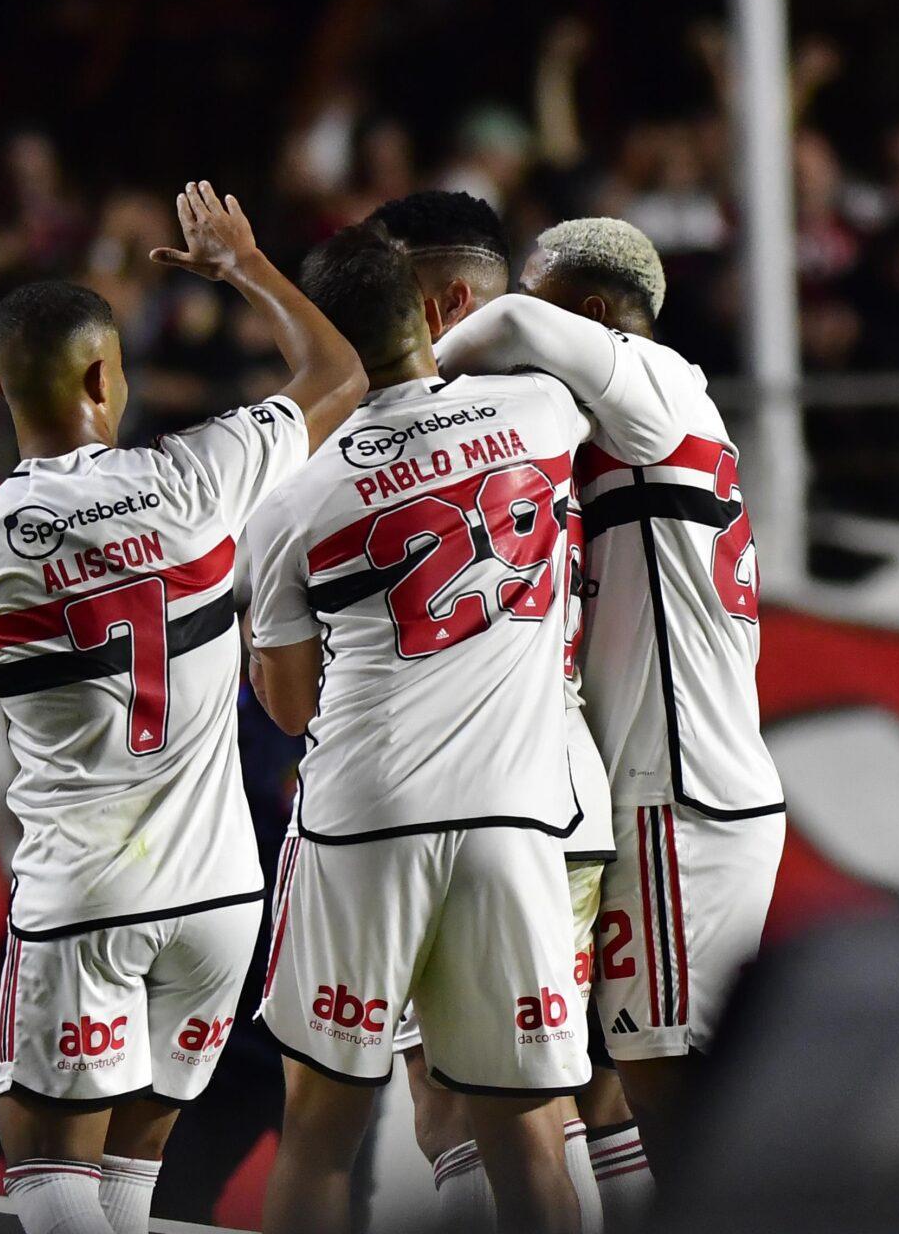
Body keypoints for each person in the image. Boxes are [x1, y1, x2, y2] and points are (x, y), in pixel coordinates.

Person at [0, 182, 364, 1234]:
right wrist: (245, 265)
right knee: (130, 1175)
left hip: (88, 897)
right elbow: (341, 374)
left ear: (1, 386)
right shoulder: (202, 474)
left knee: (45, 1160)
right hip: (221, 902)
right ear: (107, 374)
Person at [244, 220, 684, 1234]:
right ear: (432, 315)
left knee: (323, 1129)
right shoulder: (539, 411)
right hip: (521, 820)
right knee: (532, 1132)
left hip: (365, 820)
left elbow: (290, 704)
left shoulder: (290, 502)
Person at [434, 217, 786, 1187]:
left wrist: (403, 381)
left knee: (669, 1087)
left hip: (676, 795)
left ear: (594, 315)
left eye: (547, 292)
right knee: (602, 1088)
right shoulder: (623, 437)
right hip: (652, 787)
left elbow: (509, 318)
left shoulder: (653, 378)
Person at [365, 190, 624, 1234]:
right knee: (471, 1106)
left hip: (493, 799)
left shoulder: (365, 437)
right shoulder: (564, 406)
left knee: (515, 1109)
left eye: (385, 291)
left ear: (445, 302)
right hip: (543, 791)